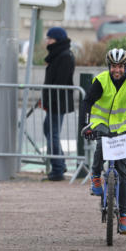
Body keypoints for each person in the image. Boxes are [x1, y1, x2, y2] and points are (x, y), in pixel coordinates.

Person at [80, 48, 126, 235]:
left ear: (125, 66)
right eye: (113, 66)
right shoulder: (101, 80)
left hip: (124, 128)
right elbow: (87, 102)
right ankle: (95, 176)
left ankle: (125, 214)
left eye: (120, 66)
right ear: (109, 66)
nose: (116, 70)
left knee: (123, 171)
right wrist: (85, 126)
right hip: (102, 124)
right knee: (101, 146)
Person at [41, 27, 75, 181]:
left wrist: (49, 100)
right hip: (53, 100)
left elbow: (59, 82)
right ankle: (59, 163)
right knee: (49, 130)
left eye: (50, 39)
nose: (47, 41)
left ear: (57, 40)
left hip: (57, 102)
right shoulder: (58, 54)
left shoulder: (64, 56)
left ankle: (57, 168)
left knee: (52, 133)